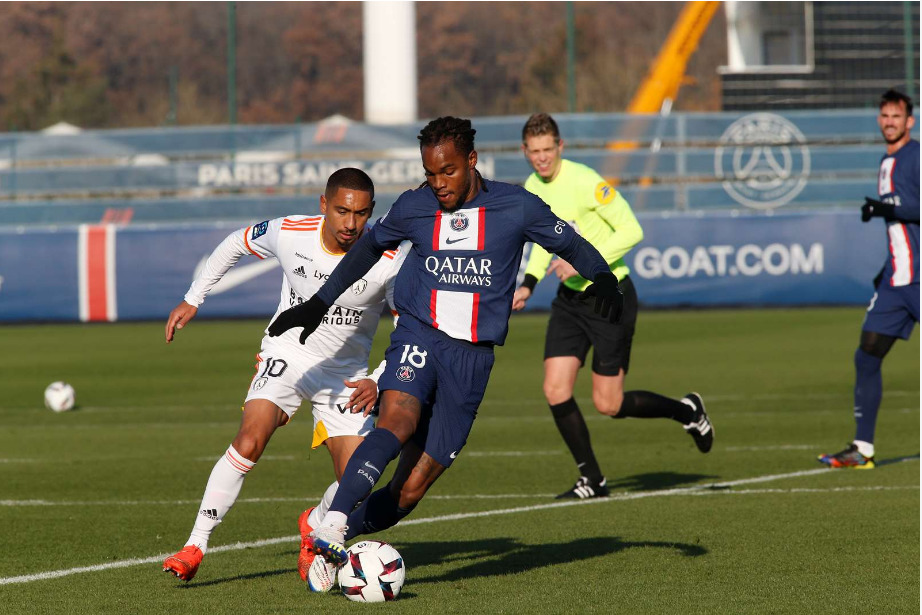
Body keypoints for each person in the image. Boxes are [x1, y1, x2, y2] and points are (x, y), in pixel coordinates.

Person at [267, 116, 624, 571]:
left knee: (409, 491)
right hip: (420, 334)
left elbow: (568, 243)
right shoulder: (414, 205)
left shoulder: (516, 206)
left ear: (471, 160)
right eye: (430, 172)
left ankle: (327, 534)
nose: (438, 182)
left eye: (448, 171)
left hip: (471, 359)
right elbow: (369, 249)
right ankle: (334, 524)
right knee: (396, 422)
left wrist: (603, 277)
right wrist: (320, 302)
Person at [161, 168, 406, 587]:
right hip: (287, 354)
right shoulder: (292, 232)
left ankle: (314, 523)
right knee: (250, 438)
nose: (351, 223)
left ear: (371, 212)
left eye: (361, 213)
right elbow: (235, 243)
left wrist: (379, 378)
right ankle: (195, 545)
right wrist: (193, 298)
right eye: (342, 211)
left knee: (357, 483)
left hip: (345, 376)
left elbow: (406, 327)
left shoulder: (389, 260)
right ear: (323, 205)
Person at [511, 113, 713, 499]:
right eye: (534, 151)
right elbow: (543, 243)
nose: (542, 158)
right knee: (555, 389)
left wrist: (583, 261)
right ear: (525, 151)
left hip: (609, 296)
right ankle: (593, 479)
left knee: (609, 403)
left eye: (547, 149)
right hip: (570, 300)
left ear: (560, 146)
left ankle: (687, 411)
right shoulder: (532, 187)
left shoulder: (586, 181)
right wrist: (529, 284)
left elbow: (632, 230)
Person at [819, 89, 919, 469]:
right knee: (867, 354)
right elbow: (899, 224)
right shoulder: (886, 160)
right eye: (885, 116)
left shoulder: (916, 156)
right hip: (896, 280)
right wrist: (885, 267)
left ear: (910, 121)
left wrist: (885, 207)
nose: (890, 122)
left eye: (897, 116)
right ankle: (862, 449)